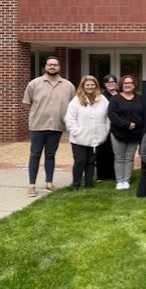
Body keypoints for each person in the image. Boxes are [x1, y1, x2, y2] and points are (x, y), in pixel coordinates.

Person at [22, 56, 75, 197]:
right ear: (45, 66)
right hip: (37, 126)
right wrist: (37, 114)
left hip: (56, 126)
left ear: (59, 67)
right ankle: (32, 185)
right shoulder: (34, 84)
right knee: (35, 155)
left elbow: (73, 106)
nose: (52, 67)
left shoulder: (68, 86)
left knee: (50, 155)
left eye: (55, 65)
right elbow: (27, 104)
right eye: (50, 64)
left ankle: (49, 183)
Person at [64, 75, 110, 190]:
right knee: (80, 162)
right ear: (83, 86)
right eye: (87, 85)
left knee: (91, 162)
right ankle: (76, 185)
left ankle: (88, 184)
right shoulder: (76, 100)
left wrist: (105, 131)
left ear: (96, 86)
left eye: (92, 85)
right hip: (79, 138)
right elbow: (69, 118)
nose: (90, 87)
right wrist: (76, 131)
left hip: (96, 137)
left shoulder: (103, 100)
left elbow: (108, 117)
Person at [107, 75, 145, 190]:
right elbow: (111, 115)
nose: (128, 85)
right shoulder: (115, 99)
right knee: (119, 158)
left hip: (135, 134)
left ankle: (126, 181)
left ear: (134, 85)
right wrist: (126, 124)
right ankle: (120, 181)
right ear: (121, 85)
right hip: (118, 133)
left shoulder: (140, 99)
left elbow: (143, 115)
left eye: (130, 83)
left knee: (129, 158)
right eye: (125, 83)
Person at [95, 74, 118, 182]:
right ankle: (102, 175)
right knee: (102, 151)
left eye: (112, 82)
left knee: (114, 152)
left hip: (117, 127)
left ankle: (113, 174)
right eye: (108, 82)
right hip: (104, 127)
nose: (111, 84)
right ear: (104, 84)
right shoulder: (101, 97)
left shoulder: (120, 95)